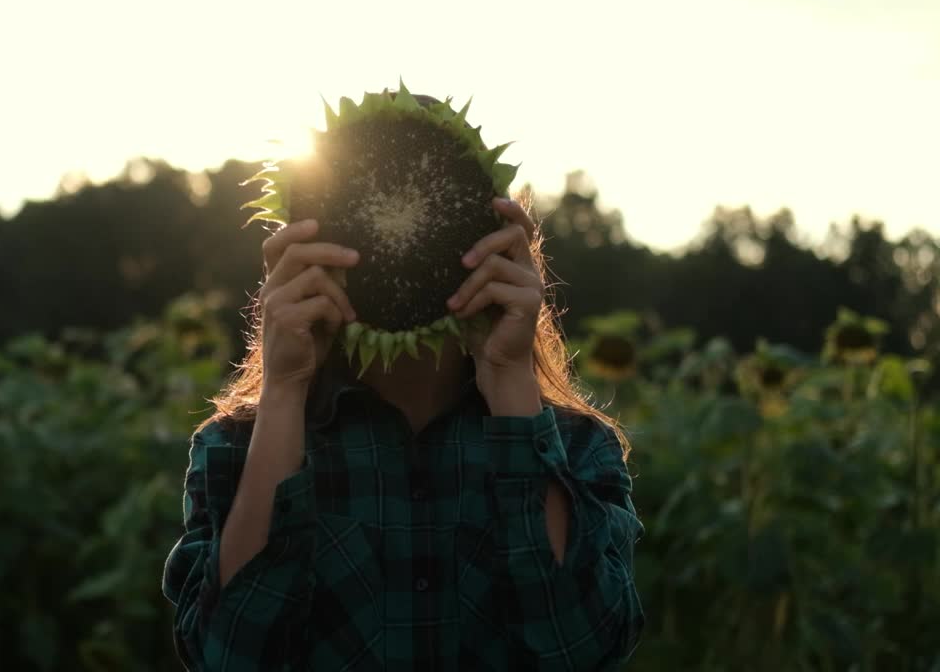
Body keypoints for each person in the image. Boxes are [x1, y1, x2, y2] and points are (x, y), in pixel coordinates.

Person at [161, 186, 644, 669]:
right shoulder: (239, 447)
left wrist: (507, 376)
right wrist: (285, 386)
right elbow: (227, 657)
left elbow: (582, 649)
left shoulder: (576, 447)